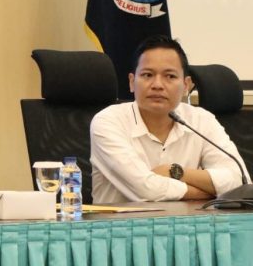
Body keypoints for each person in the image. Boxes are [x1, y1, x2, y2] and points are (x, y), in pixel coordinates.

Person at [90, 35, 249, 203]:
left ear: (186, 85)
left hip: (194, 220)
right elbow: (146, 191)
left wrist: (174, 171)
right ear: (131, 82)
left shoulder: (202, 120)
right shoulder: (108, 122)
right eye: (147, 75)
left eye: (170, 76)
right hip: (122, 220)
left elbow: (239, 181)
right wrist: (210, 193)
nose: (157, 85)